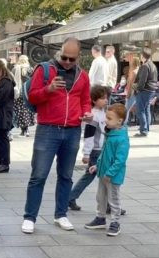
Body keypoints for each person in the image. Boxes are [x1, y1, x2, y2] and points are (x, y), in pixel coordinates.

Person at [22, 37, 92, 234]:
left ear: (79, 57)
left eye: (72, 59)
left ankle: (61, 214)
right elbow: (32, 96)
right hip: (48, 129)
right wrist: (49, 89)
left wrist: (86, 112)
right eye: (64, 57)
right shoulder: (44, 69)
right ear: (59, 52)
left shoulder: (83, 76)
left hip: (72, 130)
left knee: (66, 176)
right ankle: (29, 217)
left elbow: (85, 100)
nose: (67, 62)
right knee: (38, 175)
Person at [84, 103, 129, 236]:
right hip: (103, 173)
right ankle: (100, 218)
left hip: (112, 176)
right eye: (106, 117)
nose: (105, 120)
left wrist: (110, 173)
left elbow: (120, 160)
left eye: (109, 118)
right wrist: (97, 165)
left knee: (113, 199)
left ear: (119, 121)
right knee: (100, 197)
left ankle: (115, 222)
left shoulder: (121, 139)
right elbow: (103, 153)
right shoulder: (110, 134)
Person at [69, 86, 109, 211]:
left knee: (94, 176)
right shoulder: (93, 115)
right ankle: (108, 205)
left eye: (106, 98)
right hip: (96, 151)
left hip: (101, 149)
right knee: (101, 177)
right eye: (102, 98)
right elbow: (89, 136)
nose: (106, 100)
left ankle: (71, 197)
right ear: (94, 100)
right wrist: (86, 154)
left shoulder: (103, 113)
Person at [134, 48, 158, 137]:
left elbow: (142, 80)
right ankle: (146, 129)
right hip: (151, 90)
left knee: (140, 110)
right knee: (146, 109)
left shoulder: (145, 66)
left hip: (145, 90)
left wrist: (138, 89)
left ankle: (143, 130)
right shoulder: (153, 65)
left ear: (142, 56)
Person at [12, 55, 35, 137]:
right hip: (27, 92)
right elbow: (33, 80)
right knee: (27, 110)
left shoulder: (15, 69)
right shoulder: (30, 69)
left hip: (18, 92)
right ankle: (27, 129)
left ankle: (23, 130)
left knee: (19, 110)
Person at [124, 56, 141, 126]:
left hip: (132, 93)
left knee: (126, 109)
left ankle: (124, 124)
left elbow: (131, 84)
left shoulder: (134, 72)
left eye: (131, 61)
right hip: (136, 92)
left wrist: (128, 94)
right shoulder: (138, 70)